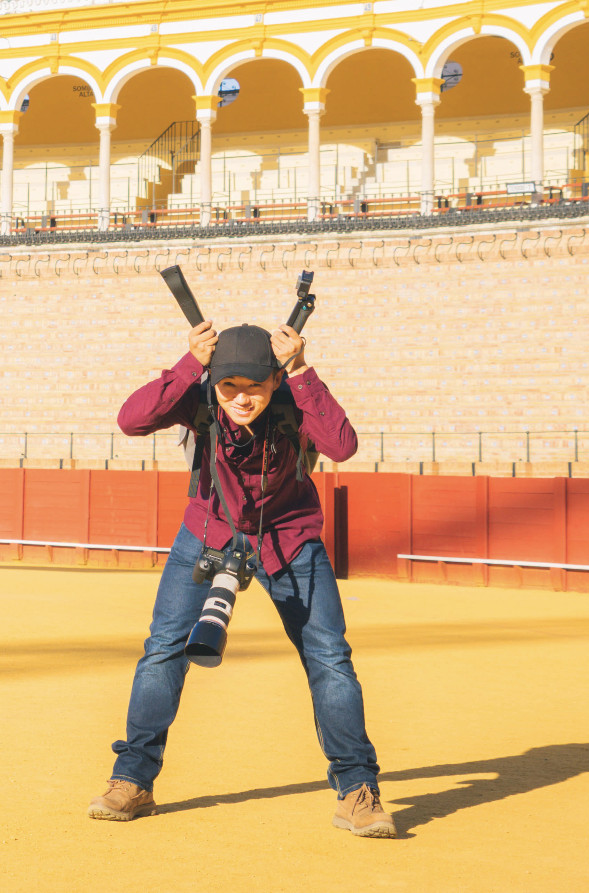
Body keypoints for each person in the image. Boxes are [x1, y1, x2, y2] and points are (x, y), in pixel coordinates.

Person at [87, 316, 394, 837]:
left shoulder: (295, 397)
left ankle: (357, 793)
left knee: (330, 660)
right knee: (163, 650)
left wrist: (299, 370)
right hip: (206, 532)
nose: (242, 398)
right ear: (216, 383)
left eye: (254, 386)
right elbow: (131, 420)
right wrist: (191, 364)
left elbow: (342, 446)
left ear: (273, 380)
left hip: (291, 540)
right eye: (230, 386)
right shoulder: (201, 398)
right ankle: (132, 780)